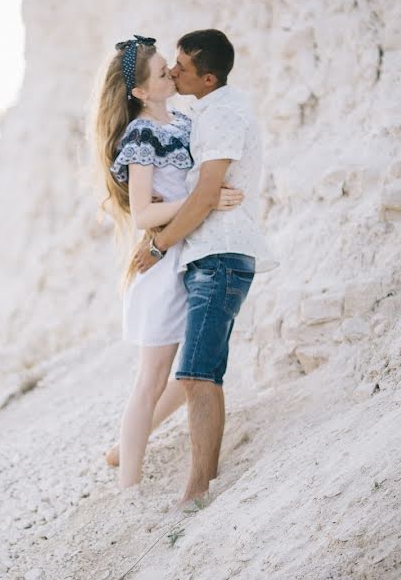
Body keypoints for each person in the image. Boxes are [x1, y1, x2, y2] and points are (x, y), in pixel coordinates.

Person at [91, 34, 245, 489]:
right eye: (163, 73)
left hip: (194, 254)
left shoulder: (180, 118)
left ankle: (125, 447)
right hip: (163, 265)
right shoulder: (143, 133)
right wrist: (204, 201)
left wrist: (206, 197)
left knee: (193, 369)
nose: (172, 74)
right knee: (152, 380)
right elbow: (143, 214)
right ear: (140, 92)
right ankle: (128, 488)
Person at [132, 29, 279, 508]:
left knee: (198, 375)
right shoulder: (208, 111)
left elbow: (206, 193)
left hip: (219, 254)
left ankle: (196, 491)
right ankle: (205, 476)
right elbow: (199, 190)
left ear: (208, 77)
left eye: (182, 68)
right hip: (209, 253)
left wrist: (158, 246)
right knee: (202, 371)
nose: (173, 72)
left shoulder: (223, 115)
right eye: (169, 65)